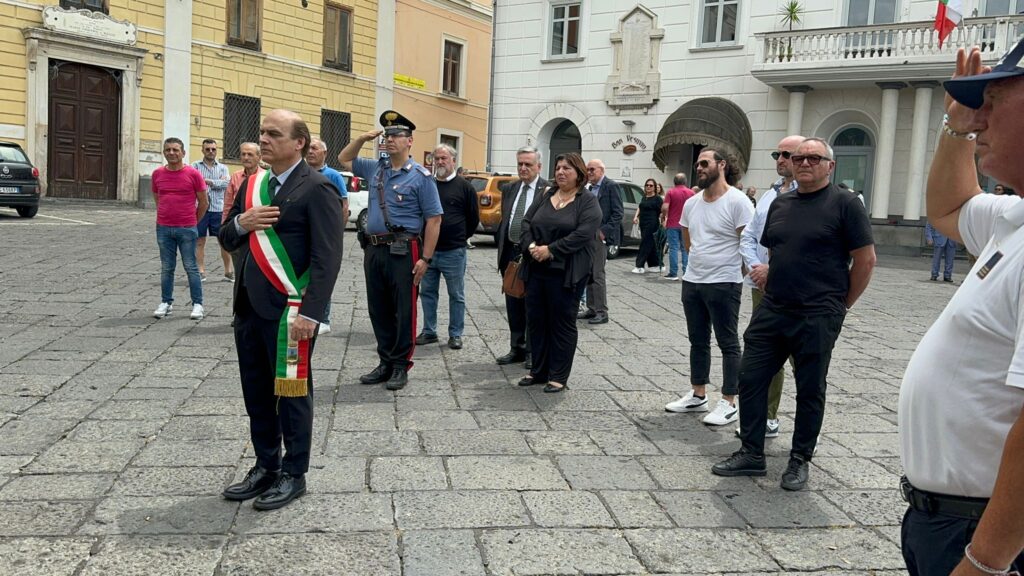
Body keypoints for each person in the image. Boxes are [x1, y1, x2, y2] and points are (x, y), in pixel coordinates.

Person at [898, 38, 1024, 576]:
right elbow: (949, 207)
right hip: (949, 522)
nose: (980, 120)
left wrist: (985, 562)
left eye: (992, 102)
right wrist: (956, 126)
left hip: (987, 537)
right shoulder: (1015, 216)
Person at [712, 137, 876, 491]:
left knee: (810, 388)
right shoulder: (781, 204)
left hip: (818, 313)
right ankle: (751, 452)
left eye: (813, 158)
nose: (804, 163)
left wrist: (841, 306)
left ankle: (799, 458)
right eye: (798, 158)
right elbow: (777, 252)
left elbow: (865, 260)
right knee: (750, 377)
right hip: (774, 308)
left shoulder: (846, 204)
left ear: (830, 166)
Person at [218, 109, 343, 510]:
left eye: (274, 133)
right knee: (256, 392)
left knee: (291, 394)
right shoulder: (252, 184)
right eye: (262, 133)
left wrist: (312, 313)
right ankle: (266, 465)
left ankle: (294, 473)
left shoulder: (318, 187)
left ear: (299, 143)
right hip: (248, 309)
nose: (264, 139)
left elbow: (328, 258)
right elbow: (226, 236)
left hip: (291, 314)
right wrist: (243, 222)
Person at [339, 110, 443, 391]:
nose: (390, 140)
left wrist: (426, 258)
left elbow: (434, 220)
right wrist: (362, 138)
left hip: (404, 249)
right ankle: (385, 361)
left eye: (396, 135)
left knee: (403, 309)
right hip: (374, 249)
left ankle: (400, 364)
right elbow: (344, 158)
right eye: (387, 136)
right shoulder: (377, 168)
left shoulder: (421, 177)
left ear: (409, 141)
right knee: (378, 308)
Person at [664, 149, 753, 426]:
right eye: (697, 164)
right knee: (698, 340)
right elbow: (688, 241)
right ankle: (698, 394)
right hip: (693, 281)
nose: (699, 168)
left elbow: (748, 244)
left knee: (728, 343)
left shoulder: (738, 201)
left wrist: (734, 273)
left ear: (722, 165)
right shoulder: (692, 203)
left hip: (725, 282)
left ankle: (729, 402)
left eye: (705, 163)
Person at [736, 135, 804, 440]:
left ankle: (807, 427)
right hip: (761, 286)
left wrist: (772, 270)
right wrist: (756, 267)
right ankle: (768, 416)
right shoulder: (769, 195)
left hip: (796, 289)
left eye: (787, 154)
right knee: (766, 351)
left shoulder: (813, 196)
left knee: (803, 358)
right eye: (778, 154)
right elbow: (749, 236)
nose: (781, 159)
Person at [518, 153, 601, 393]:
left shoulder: (587, 201)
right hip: (536, 268)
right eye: (558, 168)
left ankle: (558, 375)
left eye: (567, 168)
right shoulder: (546, 194)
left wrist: (551, 250)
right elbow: (526, 223)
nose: (561, 172)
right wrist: (532, 247)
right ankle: (538, 370)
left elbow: (583, 234)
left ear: (579, 173)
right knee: (536, 320)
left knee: (561, 323)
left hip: (566, 272)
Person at [416, 144, 479, 350]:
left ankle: (455, 334)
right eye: (437, 159)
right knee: (427, 292)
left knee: (456, 295)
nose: (440, 162)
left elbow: (473, 218)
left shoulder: (465, 187)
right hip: (428, 252)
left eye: (444, 158)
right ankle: (429, 331)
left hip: (454, 251)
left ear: (453, 160)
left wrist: (460, 237)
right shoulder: (428, 185)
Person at [496, 147, 547, 368]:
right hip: (511, 252)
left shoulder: (548, 190)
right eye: (520, 164)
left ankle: (532, 351)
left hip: (533, 254)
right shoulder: (510, 188)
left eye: (528, 164)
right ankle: (516, 347)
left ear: (539, 166)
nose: (523, 168)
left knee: (534, 305)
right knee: (513, 302)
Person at [151, 137, 208, 321]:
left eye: (175, 150)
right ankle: (166, 302)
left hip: (187, 228)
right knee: (166, 267)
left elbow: (204, 202)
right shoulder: (157, 174)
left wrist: (193, 221)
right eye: (168, 150)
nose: (172, 153)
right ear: (164, 153)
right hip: (163, 228)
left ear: (183, 153)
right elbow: (157, 198)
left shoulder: (193, 174)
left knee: (191, 267)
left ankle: (197, 304)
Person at [306, 137, 349, 335]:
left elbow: (343, 206)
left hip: (325, 233)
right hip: (305, 232)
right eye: (309, 148)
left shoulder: (333, 175)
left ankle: (323, 318)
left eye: (314, 148)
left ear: (324, 153)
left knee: (323, 275)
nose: (310, 151)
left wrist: (337, 233)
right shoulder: (301, 172)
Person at [578, 159, 623, 325]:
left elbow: (618, 213)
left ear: (601, 170)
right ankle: (592, 308)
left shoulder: (611, 186)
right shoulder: (589, 188)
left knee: (597, 274)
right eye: (587, 170)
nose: (589, 172)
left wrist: (604, 232)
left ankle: (602, 312)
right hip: (588, 236)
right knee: (589, 273)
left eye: (592, 170)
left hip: (600, 237)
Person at [191, 139, 231, 282]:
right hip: (200, 208)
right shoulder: (194, 166)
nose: (210, 152)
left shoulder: (223, 168)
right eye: (207, 149)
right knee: (200, 240)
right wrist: (216, 182)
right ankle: (201, 271)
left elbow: (227, 183)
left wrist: (208, 181)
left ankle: (228, 271)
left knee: (223, 240)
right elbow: (193, 183)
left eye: (213, 149)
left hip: (218, 208)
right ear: (202, 150)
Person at [223, 142, 263, 282]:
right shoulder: (236, 176)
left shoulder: (266, 176)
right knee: (240, 273)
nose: (246, 157)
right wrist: (225, 226)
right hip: (239, 229)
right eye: (243, 154)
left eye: (250, 154)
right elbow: (228, 204)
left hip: (258, 232)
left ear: (259, 157)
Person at [660, 173, 695, 281]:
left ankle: (673, 273)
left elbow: (665, 207)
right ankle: (686, 272)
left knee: (673, 248)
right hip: (687, 225)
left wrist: (663, 216)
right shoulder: (691, 193)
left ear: (674, 181)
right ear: (685, 181)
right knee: (686, 248)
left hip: (673, 223)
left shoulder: (671, 192)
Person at [631, 178, 663, 274]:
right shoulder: (644, 197)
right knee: (651, 244)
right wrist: (636, 216)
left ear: (654, 187)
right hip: (643, 223)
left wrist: (664, 221)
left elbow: (662, 212)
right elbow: (640, 207)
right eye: (647, 185)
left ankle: (639, 266)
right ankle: (655, 265)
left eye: (651, 185)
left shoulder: (657, 199)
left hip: (652, 223)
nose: (648, 187)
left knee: (645, 243)